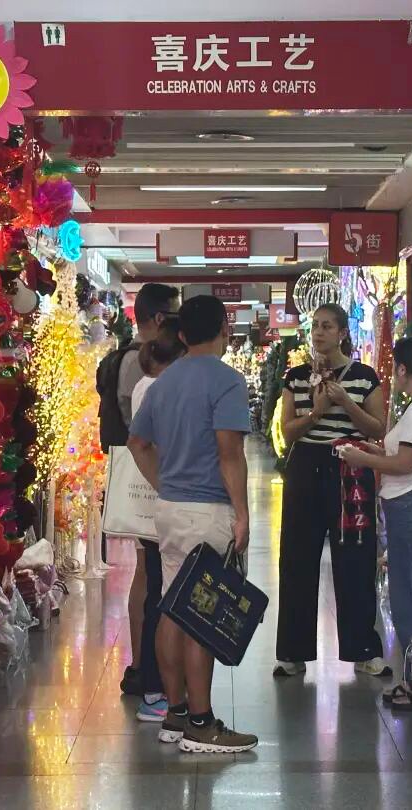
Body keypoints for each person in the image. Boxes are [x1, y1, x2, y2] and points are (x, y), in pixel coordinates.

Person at [127, 295, 257, 753]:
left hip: (171, 509)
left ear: (181, 334)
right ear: (224, 328)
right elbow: (230, 454)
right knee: (202, 613)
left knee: (170, 606)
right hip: (208, 511)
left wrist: (164, 483)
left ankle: (175, 713)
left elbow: (137, 443)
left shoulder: (162, 383)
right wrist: (242, 513)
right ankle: (201, 723)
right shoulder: (227, 381)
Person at [338, 336, 412, 707]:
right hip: (410, 508)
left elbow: (406, 465)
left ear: (403, 369)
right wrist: (373, 450)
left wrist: (363, 461)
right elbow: (402, 453)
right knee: (410, 593)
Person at [274, 303, 388, 677]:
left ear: (342, 333)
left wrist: (344, 403)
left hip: (351, 470)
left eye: (327, 326)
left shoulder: (364, 377)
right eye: (315, 327)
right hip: (305, 466)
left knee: (355, 557)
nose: (319, 333)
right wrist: (317, 411)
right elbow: (288, 431)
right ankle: (293, 651)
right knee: (297, 558)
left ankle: (362, 648)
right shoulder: (296, 377)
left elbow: (377, 428)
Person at [97, 283, 179, 703]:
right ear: (161, 319)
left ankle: (142, 663)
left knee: (148, 572)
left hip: (139, 477)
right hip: (145, 478)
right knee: (149, 573)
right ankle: (143, 664)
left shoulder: (129, 358)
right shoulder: (140, 365)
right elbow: (140, 431)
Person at [128, 320, 186, 722]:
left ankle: (159, 684)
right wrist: (165, 483)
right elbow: (147, 443)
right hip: (160, 504)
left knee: (158, 592)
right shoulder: (158, 389)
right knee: (160, 597)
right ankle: (155, 689)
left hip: (158, 503)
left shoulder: (146, 386)